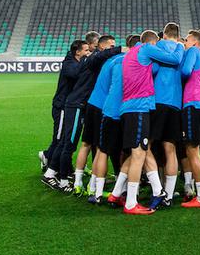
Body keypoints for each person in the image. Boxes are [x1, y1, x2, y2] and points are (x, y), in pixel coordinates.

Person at [116, 29, 182, 214]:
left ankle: (153, 190)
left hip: (130, 107)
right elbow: (174, 60)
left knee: (142, 151)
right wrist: (178, 46)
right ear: (153, 43)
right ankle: (131, 203)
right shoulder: (146, 49)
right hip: (139, 107)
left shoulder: (131, 55)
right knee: (139, 155)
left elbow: (152, 69)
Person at [57, 35, 121, 194]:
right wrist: (122, 50)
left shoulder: (97, 60)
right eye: (111, 45)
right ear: (102, 46)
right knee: (74, 143)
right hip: (81, 105)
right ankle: (67, 179)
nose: (113, 48)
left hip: (87, 104)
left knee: (88, 144)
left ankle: (80, 182)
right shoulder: (96, 59)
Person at [91, 35, 137, 206]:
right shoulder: (133, 62)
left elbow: (108, 84)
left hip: (109, 110)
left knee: (103, 150)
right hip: (126, 111)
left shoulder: (113, 61)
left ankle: (96, 192)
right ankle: (123, 189)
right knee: (128, 151)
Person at [41, 39, 90, 190]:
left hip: (68, 105)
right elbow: (74, 73)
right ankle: (51, 168)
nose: (88, 53)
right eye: (86, 50)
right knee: (62, 140)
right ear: (78, 52)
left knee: (64, 140)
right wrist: (87, 61)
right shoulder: (69, 63)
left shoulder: (74, 62)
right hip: (63, 106)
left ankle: (59, 169)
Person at [177, 30, 200, 208]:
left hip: (192, 103)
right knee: (196, 148)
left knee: (192, 150)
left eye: (187, 40)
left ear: (195, 42)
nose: (184, 43)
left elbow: (185, 71)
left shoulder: (193, 51)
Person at [149, 22, 184, 207]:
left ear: (163, 35)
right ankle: (169, 195)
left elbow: (153, 70)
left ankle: (156, 188)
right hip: (176, 103)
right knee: (170, 149)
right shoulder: (181, 49)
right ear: (177, 36)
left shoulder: (159, 46)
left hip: (158, 100)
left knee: (149, 146)